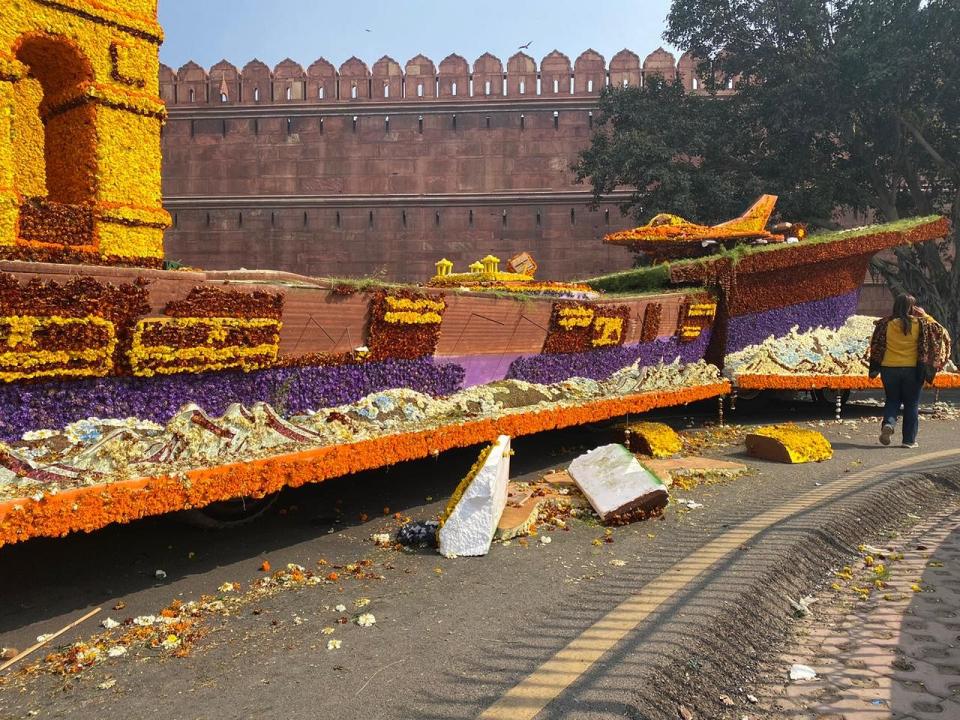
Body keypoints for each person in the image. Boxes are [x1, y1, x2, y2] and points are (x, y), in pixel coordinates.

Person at [868, 294, 949, 448]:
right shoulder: (922, 324)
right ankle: (909, 441)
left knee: (892, 399)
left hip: (888, 368)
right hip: (912, 370)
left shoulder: (886, 324)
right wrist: (926, 315)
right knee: (911, 403)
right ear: (913, 308)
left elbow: (876, 344)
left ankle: (889, 424)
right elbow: (940, 332)